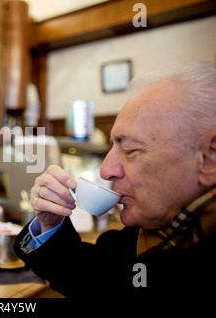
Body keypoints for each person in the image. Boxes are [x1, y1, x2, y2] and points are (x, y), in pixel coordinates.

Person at [14, 62, 216, 302]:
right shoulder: (150, 233)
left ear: (209, 157)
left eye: (130, 149)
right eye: (113, 146)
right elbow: (92, 278)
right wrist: (50, 223)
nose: (105, 170)